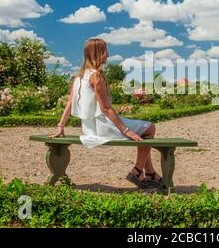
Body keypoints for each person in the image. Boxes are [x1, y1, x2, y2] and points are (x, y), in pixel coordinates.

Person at [48, 38, 161, 189]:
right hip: (104, 128)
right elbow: (106, 108)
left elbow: (69, 104)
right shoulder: (96, 76)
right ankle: (137, 171)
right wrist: (126, 130)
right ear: (98, 53)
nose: (108, 55)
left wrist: (61, 126)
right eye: (105, 51)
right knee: (150, 128)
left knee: (141, 132)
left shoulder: (78, 77)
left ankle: (150, 173)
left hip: (89, 128)